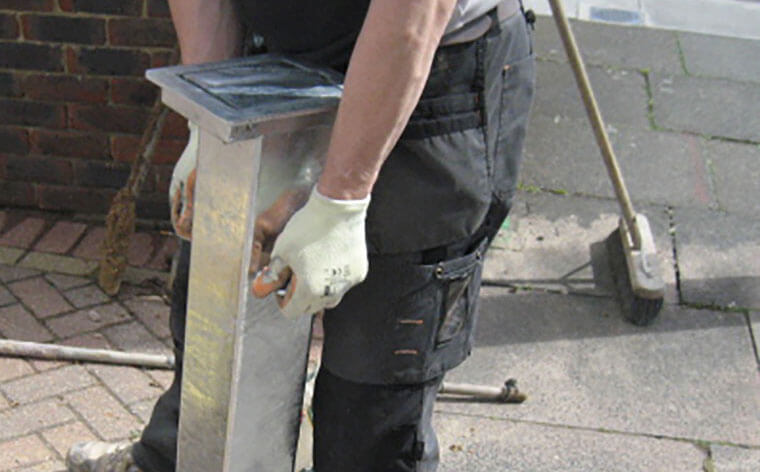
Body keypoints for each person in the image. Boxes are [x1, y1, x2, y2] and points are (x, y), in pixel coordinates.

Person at [66, 0, 535, 470]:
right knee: (217, 323)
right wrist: (209, 122)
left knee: (374, 381)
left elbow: (411, 14)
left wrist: (341, 202)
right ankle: (170, 459)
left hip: (430, 63)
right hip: (284, 58)